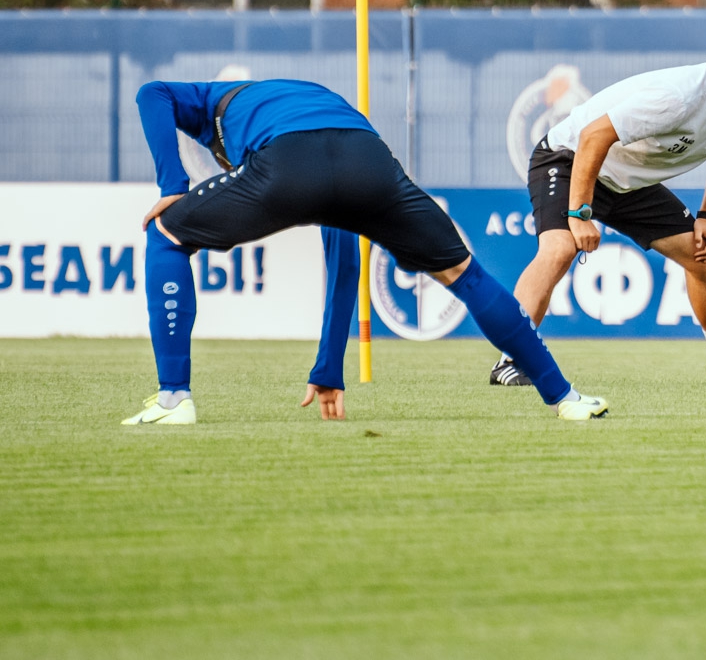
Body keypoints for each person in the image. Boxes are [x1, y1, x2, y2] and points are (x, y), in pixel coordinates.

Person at [121, 78, 607, 425]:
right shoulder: (300, 97)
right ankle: (566, 398)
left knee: (165, 233)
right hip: (368, 159)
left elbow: (151, 93)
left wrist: (173, 184)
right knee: (467, 275)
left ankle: (173, 398)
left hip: (288, 159)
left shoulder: (208, 101)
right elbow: (343, 260)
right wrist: (328, 370)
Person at [489, 20, 706, 388]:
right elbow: (593, 136)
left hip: (628, 180)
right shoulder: (678, 98)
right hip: (570, 159)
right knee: (559, 249)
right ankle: (510, 361)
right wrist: (580, 213)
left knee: (704, 253)